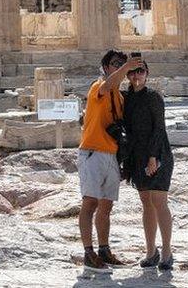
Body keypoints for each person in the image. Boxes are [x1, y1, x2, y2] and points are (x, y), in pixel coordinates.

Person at [77, 49, 144, 272]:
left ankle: (104, 250)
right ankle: (88, 252)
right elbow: (107, 86)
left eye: (122, 65)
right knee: (90, 203)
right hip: (93, 152)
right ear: (106, 67)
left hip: (112, 154)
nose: (120, 67)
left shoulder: (120, 96)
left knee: (106, 206)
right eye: (115, 64)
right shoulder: (99, 87)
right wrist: (126, 68)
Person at [123, 61, 175, 271]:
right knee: (146, 202)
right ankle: (151, 251)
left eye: (141, 72)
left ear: (147, 74)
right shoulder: (126, 99)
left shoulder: (153, 96)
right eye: (133, 73)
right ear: (127, 75)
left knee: (159, 200)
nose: (137, 76)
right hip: (137, 155)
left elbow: (159, 128)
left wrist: (153, 156)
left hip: (157, 153)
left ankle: (167, 251)